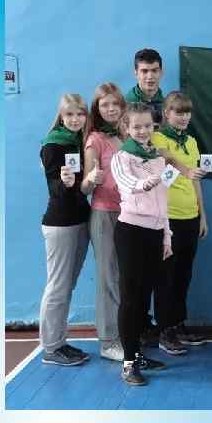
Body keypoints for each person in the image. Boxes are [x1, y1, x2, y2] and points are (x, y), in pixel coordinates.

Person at [111, 103, 170, 385]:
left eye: (147, 126)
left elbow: (163, 200)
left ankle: (137, 354)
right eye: (137, 126)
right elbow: (126, 183)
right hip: (131, 232)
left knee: (145, 298)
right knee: (130, 299)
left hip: (155, 233)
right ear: (126, 128)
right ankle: (128, 363)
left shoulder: (157, 157)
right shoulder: (122, 157)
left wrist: (166, 235)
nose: (143, 131)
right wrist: (144, 183)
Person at [151, 91, 208, 353]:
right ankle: (164, 330)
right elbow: (167, 162)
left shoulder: (192, 142)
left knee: (184, 274)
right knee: (166, 276)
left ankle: (178, 324)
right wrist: (182, 169)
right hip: (167, 217)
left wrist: (202, 214)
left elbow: (195, 180)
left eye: (187, 112)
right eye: (178, 112)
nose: (183, 117)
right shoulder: (158, 138)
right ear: (167, 113)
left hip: (190, 216)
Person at [38, 94, 92, 366]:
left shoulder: (79, 142)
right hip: (61, 224)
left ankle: (59, 342)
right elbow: (54, 188)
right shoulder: (53, 145)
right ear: (61, 116)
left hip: (80, 221)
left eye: (80, 114)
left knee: (67, 285)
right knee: (58, 286)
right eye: (69, 114)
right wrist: (65, 183)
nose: (75, 119)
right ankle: (50, 348)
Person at [81, 83, 126, 361]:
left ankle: (125, 334)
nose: (110, 109)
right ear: (97, 110)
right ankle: (109, 341)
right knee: (108, 277)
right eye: (104, 105)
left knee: (125, 278)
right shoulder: (94, 140)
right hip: (104, 215)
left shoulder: (125, 136)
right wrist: (91, 179)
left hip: (130, 215)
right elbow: (85, 187)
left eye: (115, 104)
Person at [125, 48, 165, 127]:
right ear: (136, 73)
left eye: (154, 71)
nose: (150, 76)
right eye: (144, 71)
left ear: (161, 72)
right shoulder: (125, 105)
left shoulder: (167, 105)